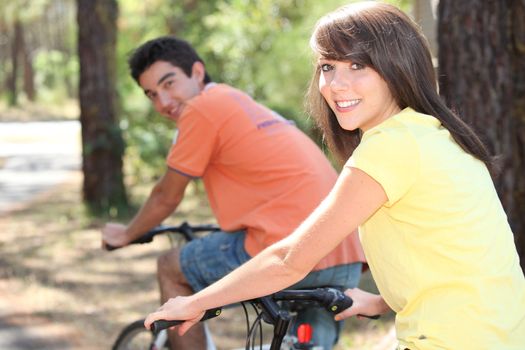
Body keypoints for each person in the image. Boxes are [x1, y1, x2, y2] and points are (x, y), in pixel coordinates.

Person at [144, 2, 525, 349]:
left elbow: (290, 259)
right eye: (328, 67)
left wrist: (195, 302)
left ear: (397, 67)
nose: (336, 84)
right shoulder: (434, 132)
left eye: (357, 65)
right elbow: (451, 256)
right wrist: (377, 301)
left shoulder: (390, 146)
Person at [101, 36, 366, 349]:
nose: (163, 102)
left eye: (168, 84)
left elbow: (166, 197)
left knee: (171, 267)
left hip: (284, 247)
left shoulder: (201, 109)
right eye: (151, 95)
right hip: (343, 254)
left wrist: (127, 233)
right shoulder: (236, 102)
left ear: (197, 72)